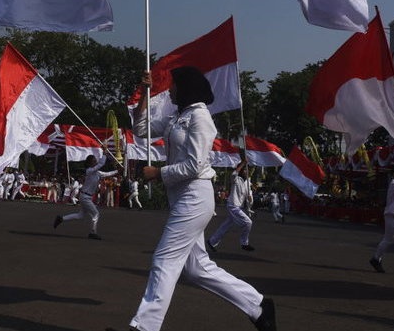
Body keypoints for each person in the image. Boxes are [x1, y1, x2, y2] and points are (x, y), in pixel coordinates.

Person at [120, 67, 275, 331]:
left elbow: (194, 165)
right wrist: (144, 95)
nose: (169, 90)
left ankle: (145, 327)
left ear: (186, 88)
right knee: (196, 268)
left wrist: (158, 172)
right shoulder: (176, 117)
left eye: (174, 86)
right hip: (181, 196)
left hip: (194, 194)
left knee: (164, 259)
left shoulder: (201, 118)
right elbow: (141, 129)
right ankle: (258, 306)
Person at [53, 147, 117, 240]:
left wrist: (117, 171)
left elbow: (107, 174)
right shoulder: (89, 171)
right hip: (85, 197)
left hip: (86, 197)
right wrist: (105, 153)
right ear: (90, 163)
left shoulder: (97, 173)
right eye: (94, 160)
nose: (96, 162)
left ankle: (61, 219)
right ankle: (93, 232)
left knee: (80, 215)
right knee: (96, 214)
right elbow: (101, 164)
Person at [207, 154, 256, 252]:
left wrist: (250, 198)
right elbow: (233, 174)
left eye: (247, 170)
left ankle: (212, 241)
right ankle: (244, 243)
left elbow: (249, 197)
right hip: (233, 205)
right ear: (241, 171)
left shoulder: (247, 183)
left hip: (239, 206)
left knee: (225, 226)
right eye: (245, 170)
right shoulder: (236, 179)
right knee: (248, 222)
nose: (246, 171)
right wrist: (242, 164)